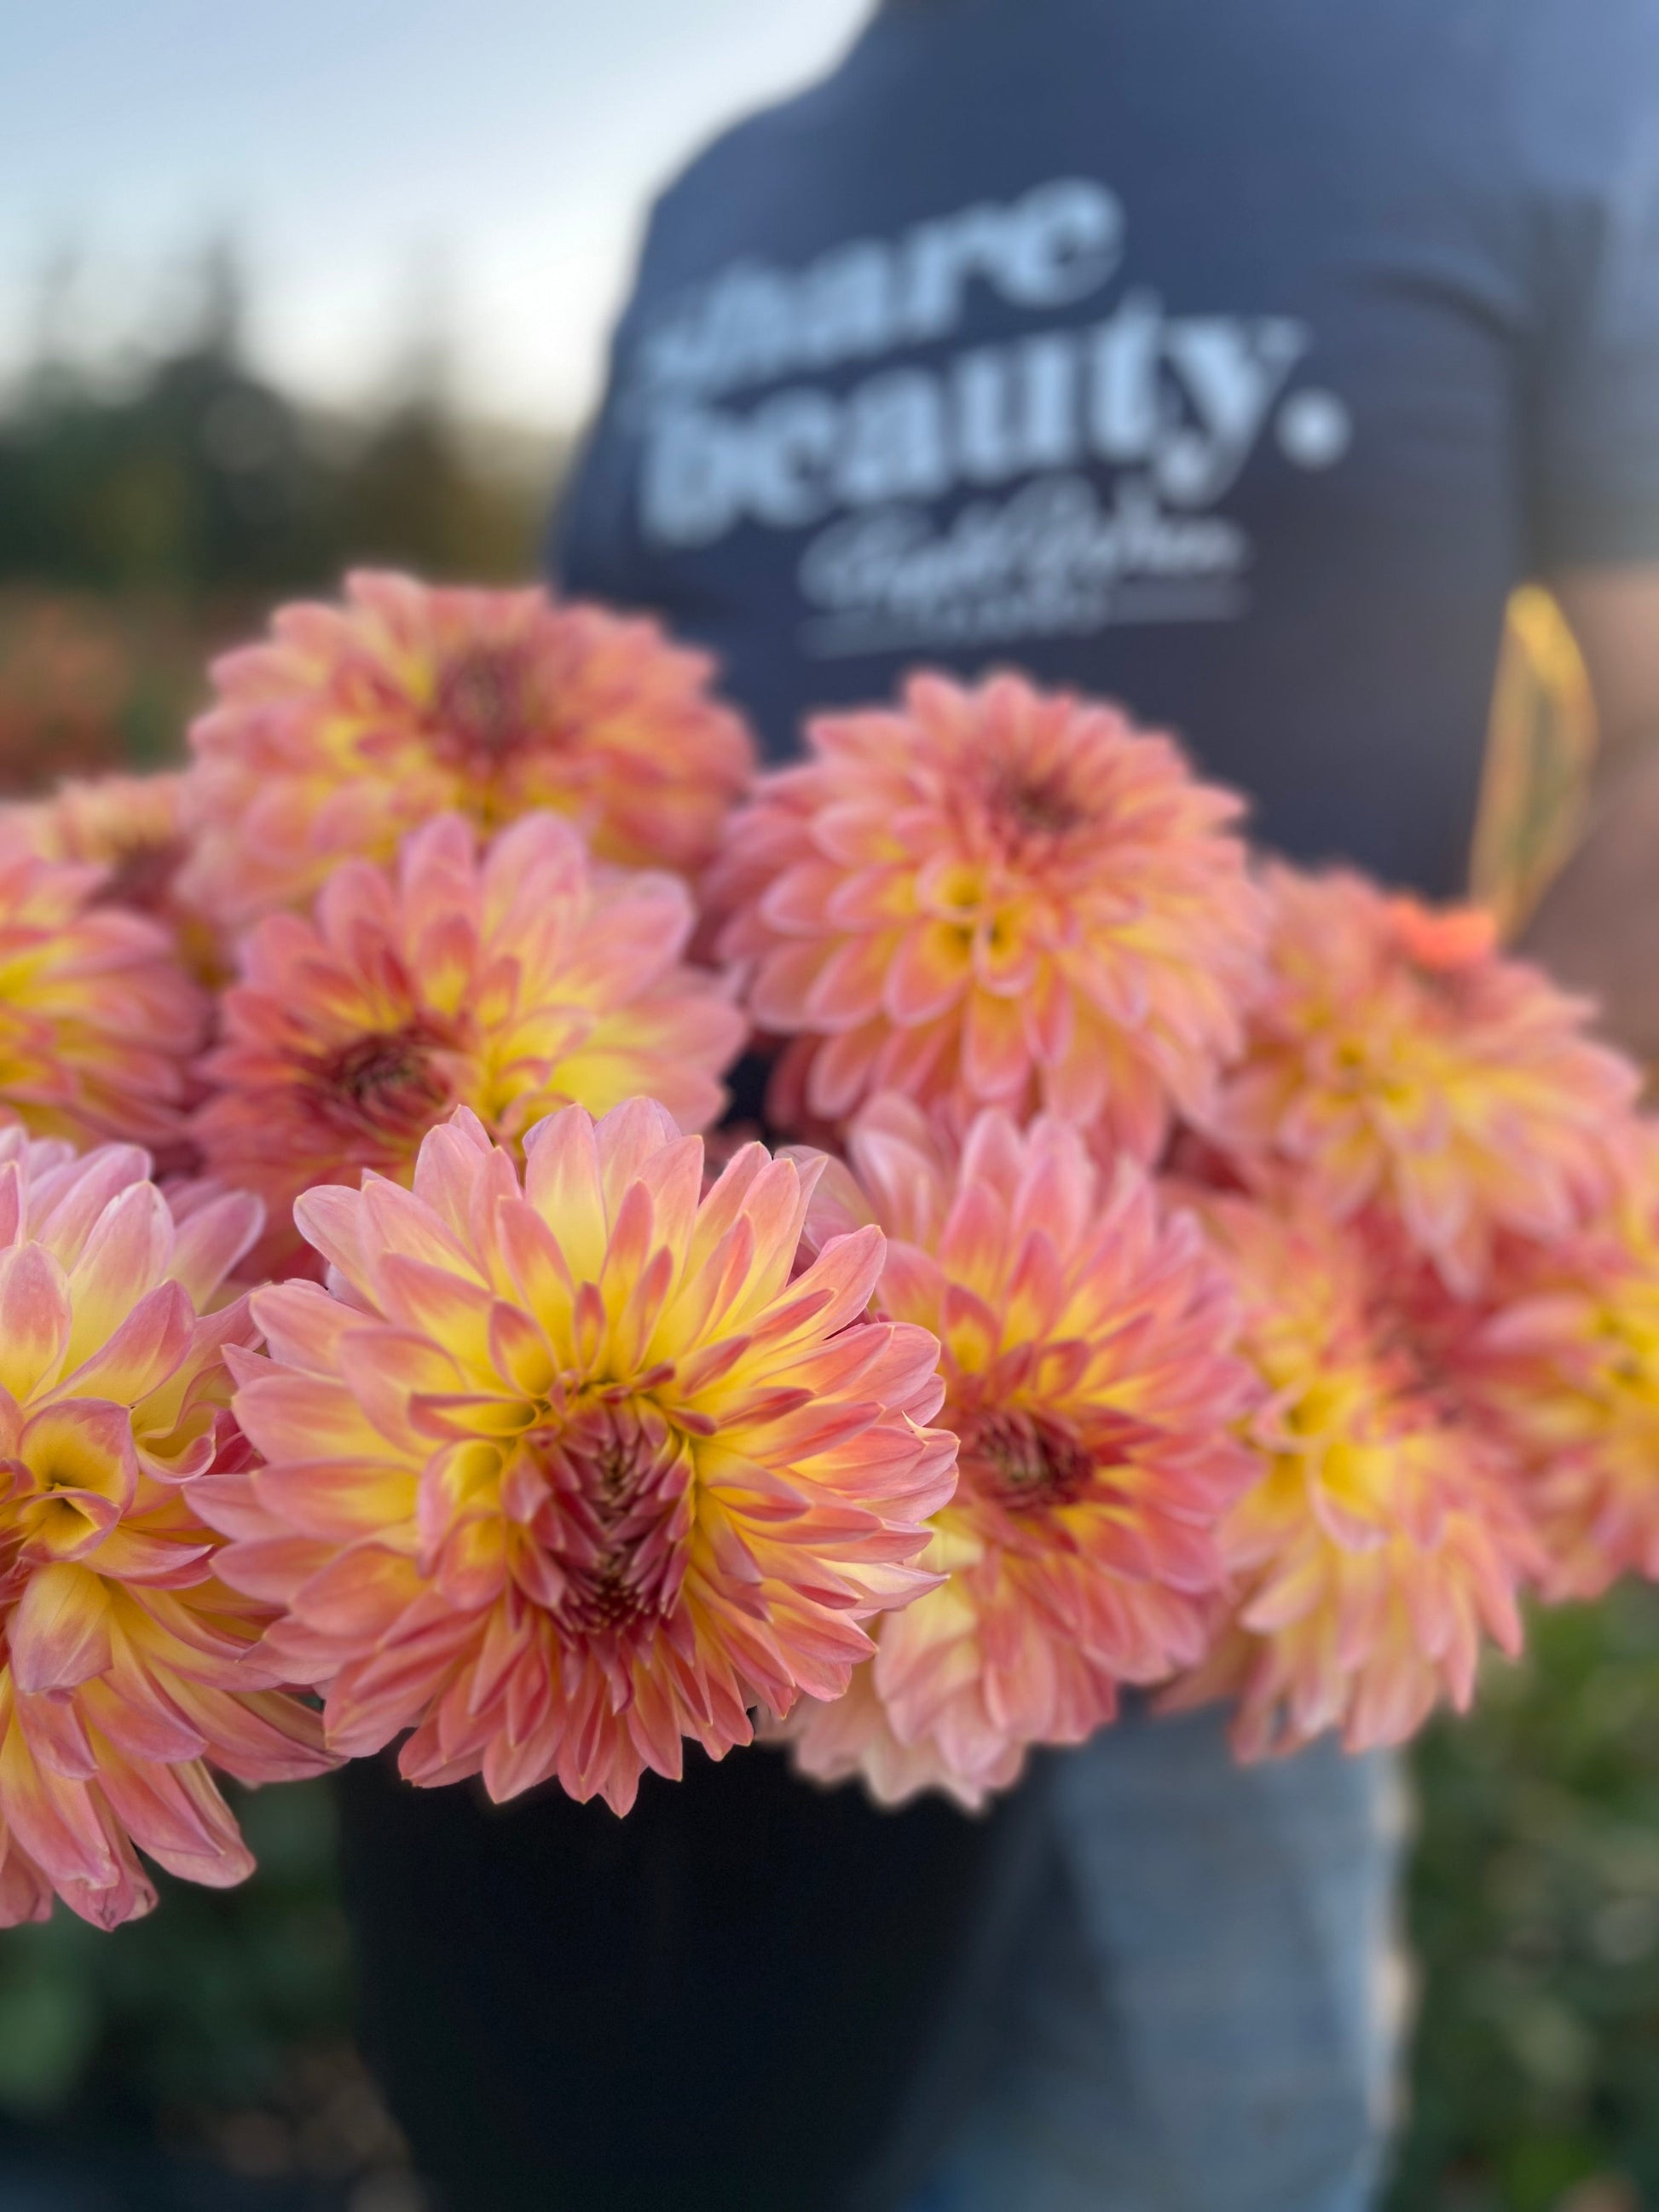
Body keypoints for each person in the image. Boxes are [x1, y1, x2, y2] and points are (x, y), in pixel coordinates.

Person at [338, 3, 1659, 2206]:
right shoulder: (730, 190)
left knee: (1177, 2151)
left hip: (1179, 1475)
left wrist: (1448, 1292)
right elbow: (575, 733)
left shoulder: (1524, 61)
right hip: (604, 1426)